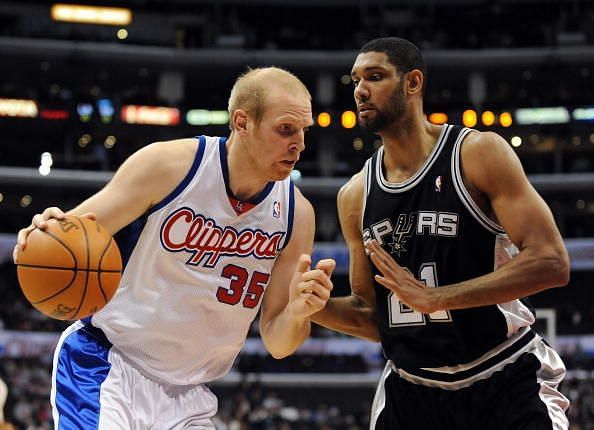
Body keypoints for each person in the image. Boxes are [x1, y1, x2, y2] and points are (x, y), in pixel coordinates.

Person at [13, 67, 336, 429]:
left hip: (191, 395)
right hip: (110, 367)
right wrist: (45, 233)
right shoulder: (171, 166)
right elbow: (71, 233)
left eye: (304, 131)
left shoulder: (297, 214)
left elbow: (279, 342)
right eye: (286, 129)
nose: (300, 144)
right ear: (242, 123)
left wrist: (299, 311)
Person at [312, 37, 571, 429]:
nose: (360, 90)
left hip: (504, 376)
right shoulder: (355, 195)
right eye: (354, 81)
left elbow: (551, 262)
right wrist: (316, 307)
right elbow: (373, 317)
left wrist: (437, 298)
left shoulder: (477, 153)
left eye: (375, 76)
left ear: (412, 83)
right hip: (413, 391)